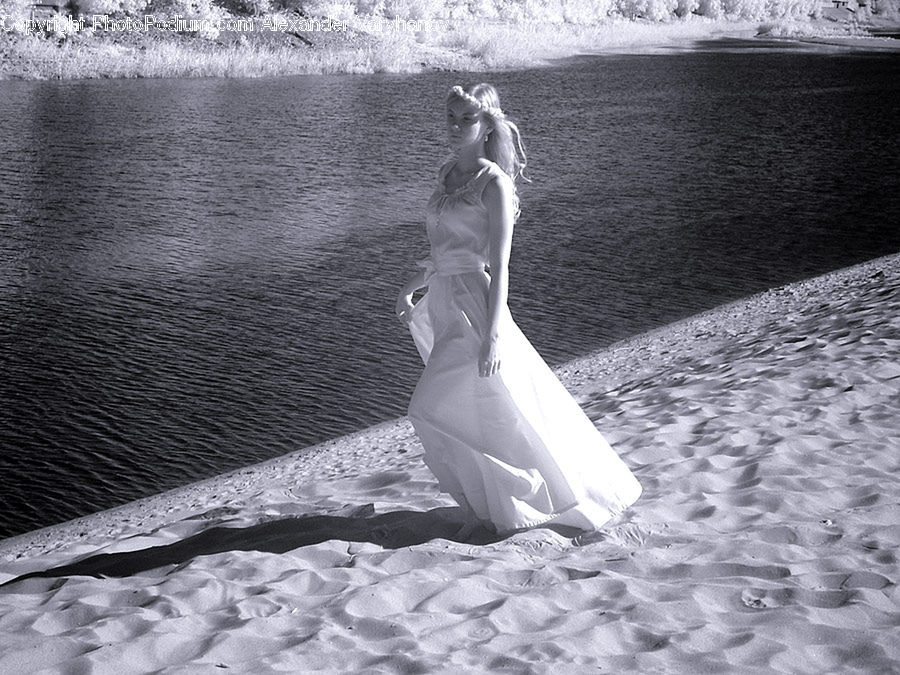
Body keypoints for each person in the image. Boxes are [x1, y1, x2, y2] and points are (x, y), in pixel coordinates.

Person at [396, 83, 641, 538]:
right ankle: (488, 510)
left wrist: (493, 334)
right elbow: (443, 249)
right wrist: (412, 288)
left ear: (487, 124)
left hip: (475, 305)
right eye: (449, 117)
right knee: (486, 410)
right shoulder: (447, 172)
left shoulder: (494, 184)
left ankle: (525, 495)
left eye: (465, 119)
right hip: (445, 301)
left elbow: (500, 263)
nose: (454, 127)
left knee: (430, 408)